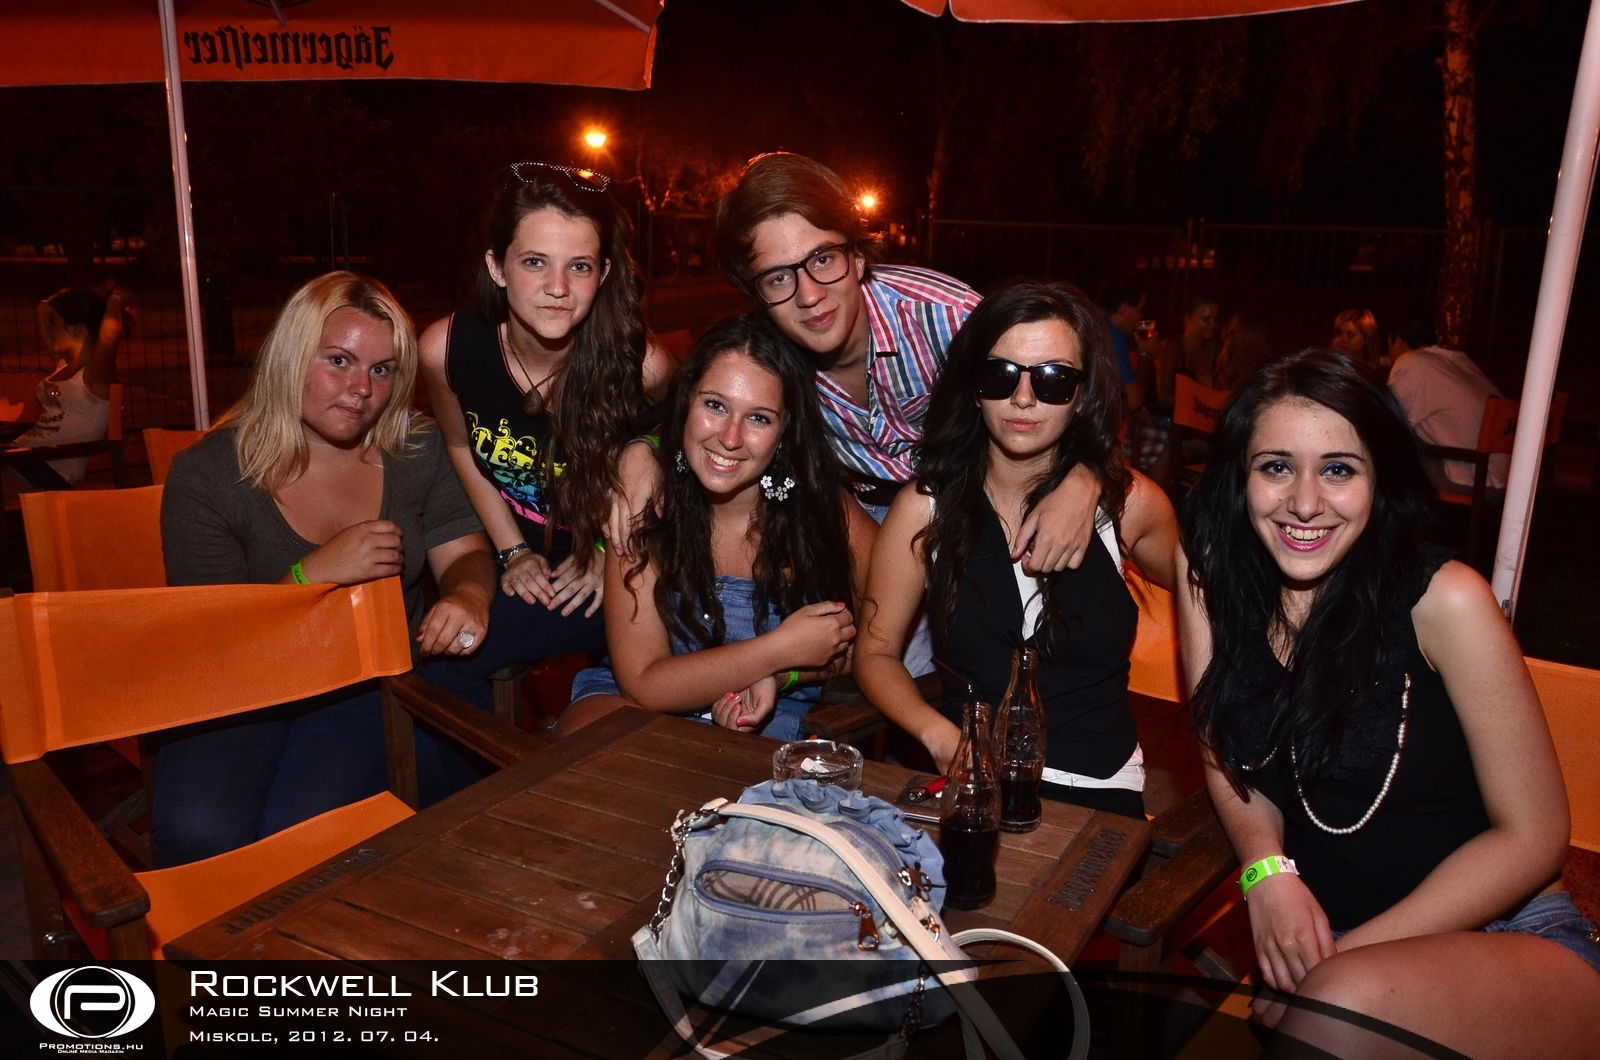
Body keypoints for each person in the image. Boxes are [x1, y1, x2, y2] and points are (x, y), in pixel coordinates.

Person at [1178, 348, 1599, 1055]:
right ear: (1239, 475)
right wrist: (1265, 872)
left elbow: (1534, 837)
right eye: (1276, 466)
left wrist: (1331, 967)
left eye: (1338, 469)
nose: (1304, 503)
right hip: (1336, 952)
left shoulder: (1446, 600)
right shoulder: (1210, 575)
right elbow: (1222, 750)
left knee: (1337, 1011)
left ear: (1379, 480)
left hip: (1509, 937)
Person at [158, 271, 496, 867]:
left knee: (303, 836)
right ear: (291, 356)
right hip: (242, 689)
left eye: (382, 369)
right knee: (198, 834)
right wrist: (309, 577)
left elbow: (466, 552)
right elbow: (210, 640)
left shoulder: (414, 448)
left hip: (365, 687)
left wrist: (468, 595)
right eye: (339, 360)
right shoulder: (209, 475)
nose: (361, 388)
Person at [856, 281, 1178, 819]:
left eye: (1054, 379)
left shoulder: (1130, 505)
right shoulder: (925, 508)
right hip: (972, 780)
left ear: (1083, 394)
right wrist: (939, 735)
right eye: (1000, 375)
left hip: (1097, 789)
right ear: (973, 386)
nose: (1023, 398)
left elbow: (1213, 591)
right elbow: (875, 653)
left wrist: (1095, 475)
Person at [418, 162, 675, 710]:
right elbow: (460, 446)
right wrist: (511, 551)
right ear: (497, 265)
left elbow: (686, 463)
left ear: (603, 274)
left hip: (627, 563)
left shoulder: (643, 367)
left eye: (579, 266)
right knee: (444, 661)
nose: (558, 288)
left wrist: (608, 551)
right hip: (521, 551)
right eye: (534, 262)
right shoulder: (448, 350)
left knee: (628, 691)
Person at [559, 314, 875, 740]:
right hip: (645, 710)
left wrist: (783, 676)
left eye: (759, 418)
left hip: (771, 713)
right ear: (685, 402)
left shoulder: (824, 514)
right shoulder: (640, 507)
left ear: (785, 431)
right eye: (715, 405)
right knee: (590, 741)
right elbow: (644, 683)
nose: (729, 437)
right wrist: (777, 651)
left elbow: (877, 644)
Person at [4, 282, 129, 493]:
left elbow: (109, 337)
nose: (49, 329)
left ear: (76, 328)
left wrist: (115, 301)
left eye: (54, 323)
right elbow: (42, 312)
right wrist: (48, 307)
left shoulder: (96, 377)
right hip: (22, 456)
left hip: (48, 467)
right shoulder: (64, 366)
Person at [1386, 315, 1506, 494]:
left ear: (1397, 341)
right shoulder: (1459, 361)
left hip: (1472, 477)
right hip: (1503, 476)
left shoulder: (1413, 362)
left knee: (1385, 453)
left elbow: (1385, 420)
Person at [1155, 294, 1221, 410]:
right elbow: (1164, 399)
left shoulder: (1216, 348)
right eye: (1206, 319)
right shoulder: (1172, 349)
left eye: (1216, 319)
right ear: (1188, 318)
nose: (1213, 325)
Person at [1330, 306, 1386, 378]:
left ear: (1366, 337)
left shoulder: (1374, 372)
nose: (1342, 340)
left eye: (1350, 335)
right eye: (1338, 333)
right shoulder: (1330, 367)